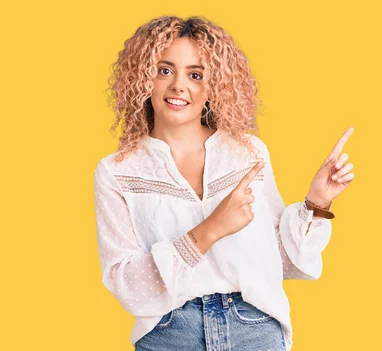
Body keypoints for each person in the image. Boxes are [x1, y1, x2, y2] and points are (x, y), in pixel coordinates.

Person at [93, 15, 355, 351]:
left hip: (254, 328)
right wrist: (211, 228)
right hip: (170, 333)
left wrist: (317, 203)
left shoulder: (246, 152)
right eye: (164, 70)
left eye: (196, 74)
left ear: (213, 86)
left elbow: (281, 260)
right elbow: (127, 284)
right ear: (144, 79)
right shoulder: (117, 172)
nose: (178, 86)